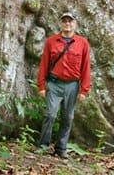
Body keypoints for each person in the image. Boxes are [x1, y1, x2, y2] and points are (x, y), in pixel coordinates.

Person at [36, 10, 91, 159]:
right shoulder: (51, 41)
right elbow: (44, 64)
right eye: (64, 21)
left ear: (75, 24)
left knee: (68, 117)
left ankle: (61, 148)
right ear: (60, 24)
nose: (67, 24)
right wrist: (41, 86)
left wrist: (84, 90)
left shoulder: (82, 43)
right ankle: (43, 145)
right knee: (50, 114)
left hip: (72, 86)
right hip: (54, 84)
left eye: (70, 21)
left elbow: (86, 67)